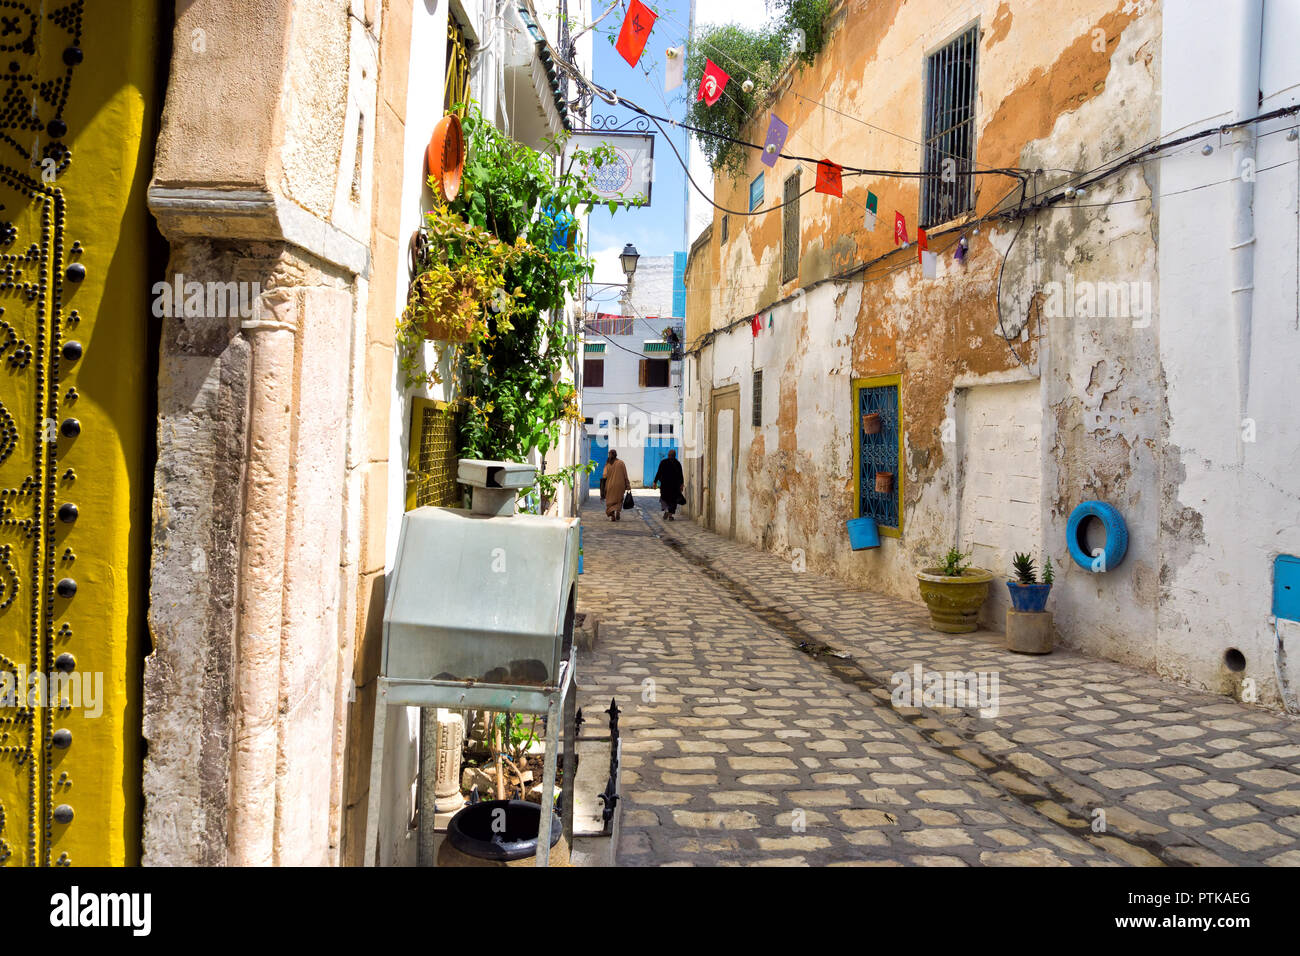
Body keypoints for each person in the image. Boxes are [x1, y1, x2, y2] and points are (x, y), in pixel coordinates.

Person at [652, 448, 684, 521]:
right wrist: (681, 484)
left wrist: (655, 482)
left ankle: (666, 510)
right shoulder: (677, 463)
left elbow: (659, 472)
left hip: (665, 486)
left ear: (668, 455)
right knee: (673, 501)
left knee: (664, 498)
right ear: (675, 455)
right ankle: (670, 515)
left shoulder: (663, 462)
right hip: (674, 487)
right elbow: (680, 475)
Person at [601, 449, 630, 521]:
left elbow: (604, 476)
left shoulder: (607, 464)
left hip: (610, 485)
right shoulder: (621, 463)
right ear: (616, 455)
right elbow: (625, 475)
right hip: (620, 485)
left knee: (610, 501)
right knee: (619, 500)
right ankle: (618, 512)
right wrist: (628, 485)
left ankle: (612, 515)